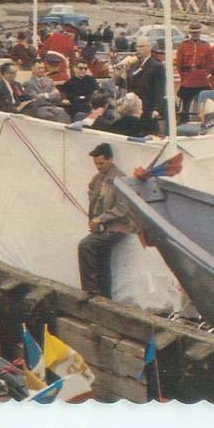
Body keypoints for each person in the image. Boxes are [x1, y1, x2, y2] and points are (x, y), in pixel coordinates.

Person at [77, 144, 132, 298]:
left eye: (101, 163)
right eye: (96, 164)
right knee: (102, 258)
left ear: (110, 160)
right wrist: (95, 221)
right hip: (103, 227)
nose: (98, 167)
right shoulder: (97, 178)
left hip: (118, 228)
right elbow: (93, 197)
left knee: (85, 246)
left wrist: (101, 218)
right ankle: (105, 298)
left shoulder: (120, 179)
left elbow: (123, 207)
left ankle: (90, 290)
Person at [127, 37, 165, 135]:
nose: (137, 49)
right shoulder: (134, 65)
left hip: (148, 108)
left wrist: (157, 109)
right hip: (134, 108)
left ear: (148, 48)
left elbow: (160, 90)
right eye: (137, 47)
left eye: (141, 46)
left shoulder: (157, 66)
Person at [176, 22, 212, 124]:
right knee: (185, 103)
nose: (195, 34)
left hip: (202, 78)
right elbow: (179, 64)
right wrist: (184, 76)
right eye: (193, 33)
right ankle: (183, 121)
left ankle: (205, 122)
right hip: (188, 78)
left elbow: (209, 63)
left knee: (205, 102)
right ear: (190, 33)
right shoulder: (184, 46)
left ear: (200, 33)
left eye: (197, 32)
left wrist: (205, 74)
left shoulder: (205, 45)